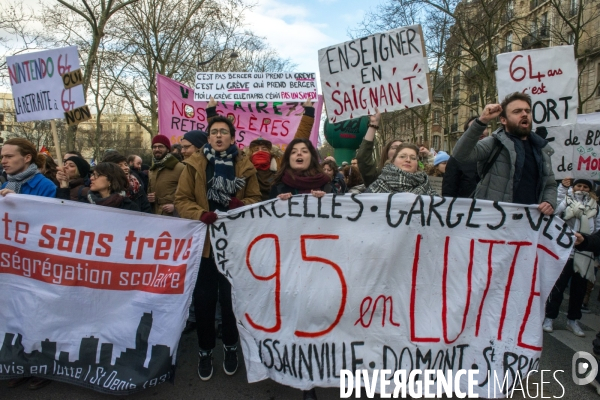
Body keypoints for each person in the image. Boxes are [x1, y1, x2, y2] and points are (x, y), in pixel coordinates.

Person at [175, 115, 261, 381]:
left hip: (234, 245)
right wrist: (200, 213)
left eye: (224, 132)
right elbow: (181, 199)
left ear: (233, 138)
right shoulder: (193, 165)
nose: (219, 136)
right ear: (209, 137)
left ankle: (231, 347)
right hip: (204, 246)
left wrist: (239, 206)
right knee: (203, 301)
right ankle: (204, 350)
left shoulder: (245, 166)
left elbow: (255, 198)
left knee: (230, 300)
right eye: (214, 132)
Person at [268, 137, 332, 400]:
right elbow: (266, 220)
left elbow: (347, 217)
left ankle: (320, 368)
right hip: (291, 263)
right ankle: (306, 382)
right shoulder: (278, 185)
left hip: (325, 262)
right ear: (288, 158)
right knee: (299, 319)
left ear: (312, 157)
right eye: (294, 151)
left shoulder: (329, 184)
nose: (299, 154)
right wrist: (277, 204)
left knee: (320, 318)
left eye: (304, 150)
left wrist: (329, 201)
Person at [452, 92, 556, 214]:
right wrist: (482, 121)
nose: (524, 114)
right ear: (503, 120)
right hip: (495, 223)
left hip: (529, 225)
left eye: (527, 111)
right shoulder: (494, 143)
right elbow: (460, 154)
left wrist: (549, 202)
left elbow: (550, 184)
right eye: (517, 111)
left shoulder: (541, 148)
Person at [542, 178, 600, 337]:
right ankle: (549, 317)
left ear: (590, 190)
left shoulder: (596, 207)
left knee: (579, 289)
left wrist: (591, 244)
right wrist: (562, 187)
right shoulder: (565, 201)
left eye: (586, 186)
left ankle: (573, 320)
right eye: (579, 185)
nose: (582, 188)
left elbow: (598, 228)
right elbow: (554, 212)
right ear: (574, 187)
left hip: (584, 253)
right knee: (558, 286)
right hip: (565, 250)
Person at [57, 162, 140, 211]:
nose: (92, 178)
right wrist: (63, 186)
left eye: (97, 175)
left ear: (110, 180)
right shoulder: (85, 202)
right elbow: (65, 214)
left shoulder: (129, 207)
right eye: (93, 174)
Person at [442, 117, 489, 198]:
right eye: (474, 129)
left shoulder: (497, 154)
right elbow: (448, 191)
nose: (480, 131)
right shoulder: (456, 160)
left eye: (483, 127)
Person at [355, 108, 402, 187]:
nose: (399, 150)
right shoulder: (378, 178)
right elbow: (363, 158)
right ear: (386, 153)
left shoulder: (420, 179)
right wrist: (373, 125)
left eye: (402, 148)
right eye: (394, 148)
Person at [367, 143, 437, 195]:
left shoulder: (429, 189)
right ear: (393, 161)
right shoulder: (376, 187)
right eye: (402, 156)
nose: (408, 160)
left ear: (417, 164)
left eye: (413, 158)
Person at [148, 135, 185, 216]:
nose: (157, 149)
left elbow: (187, 193)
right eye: (154, 147)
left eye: (160, 146)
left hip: (173, 217)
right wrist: (150, 197)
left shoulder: (180, 168)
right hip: (155, 215)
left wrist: (175, 207)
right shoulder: (152, 170)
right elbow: (150, 190)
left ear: (168, 149)